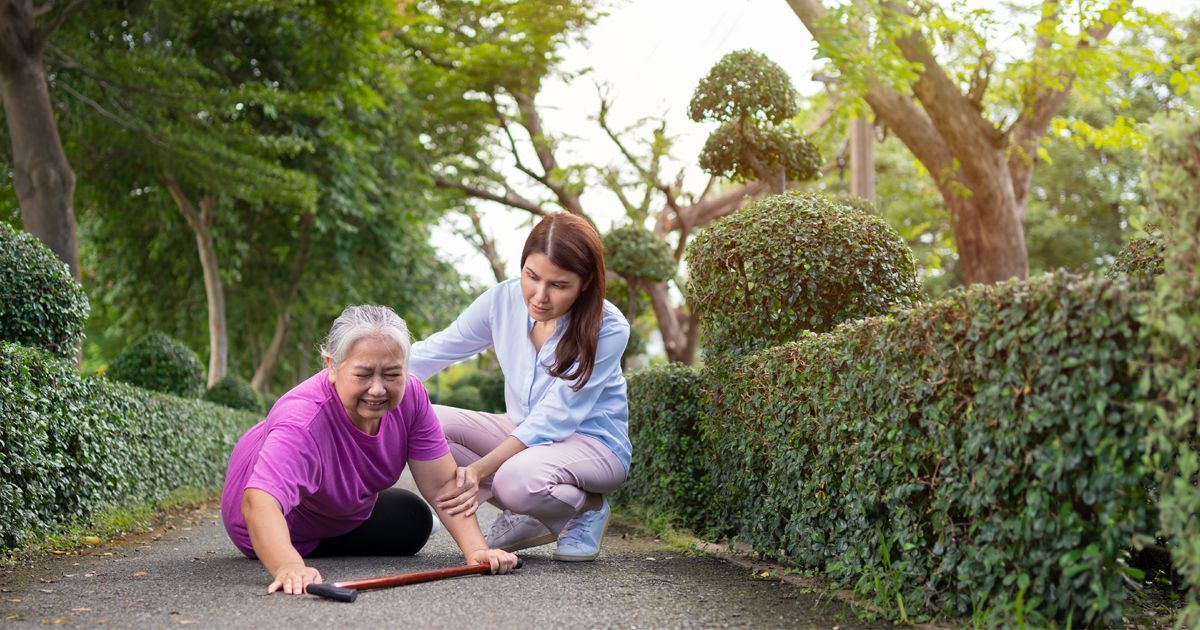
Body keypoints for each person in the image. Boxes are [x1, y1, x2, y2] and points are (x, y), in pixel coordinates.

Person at [220, 305, 518, 596]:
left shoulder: (412, 396)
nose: (378, 389)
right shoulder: (302, 421)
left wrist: (478, 551)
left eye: (391, 374)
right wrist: (288, 566)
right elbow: (259, 502)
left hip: (336, 505)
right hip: (267, 520)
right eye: (363, 375)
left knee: (414, 521)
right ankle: (294, 547)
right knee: (402, 523)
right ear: (332, 366)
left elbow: (442, 485)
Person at [409, 212, 631, 562]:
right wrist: (348, 375)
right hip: (523, 434)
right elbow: (436, 351)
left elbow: (555, 418)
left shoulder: (608, 327)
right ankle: (533, 510)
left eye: (559, 285)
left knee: (516, 480)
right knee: (429, 422)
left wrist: (481, 468)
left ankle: (586, 507)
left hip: (593, 445)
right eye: (532, 276)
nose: (539, 296)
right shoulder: (502, 300)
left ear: (586, 282)